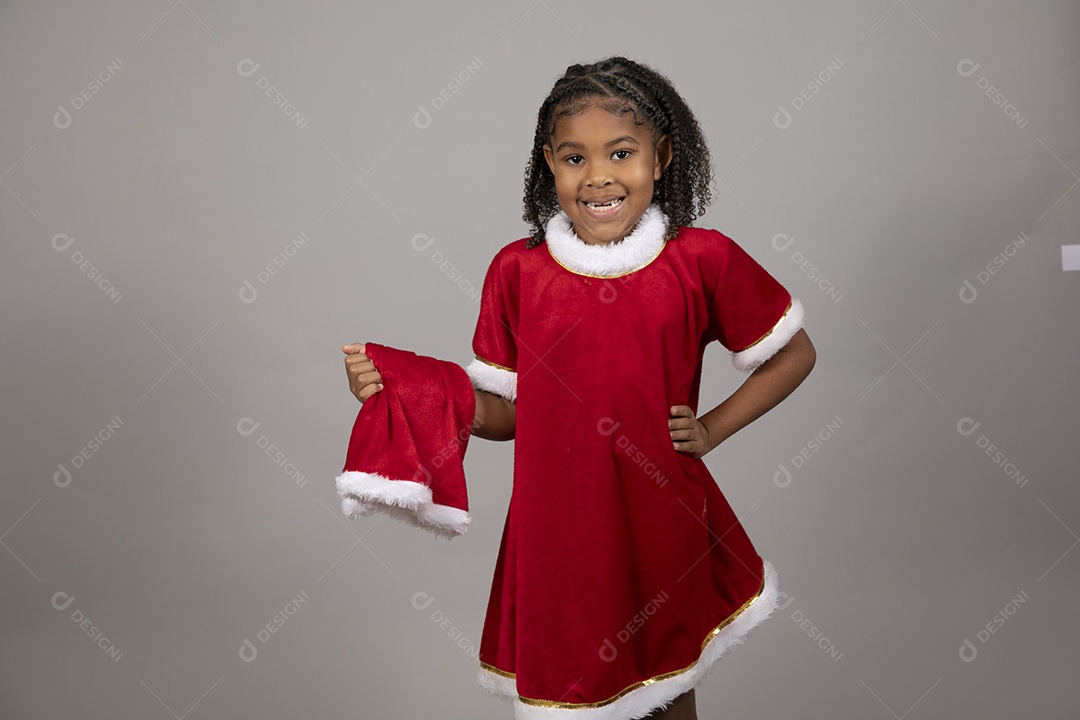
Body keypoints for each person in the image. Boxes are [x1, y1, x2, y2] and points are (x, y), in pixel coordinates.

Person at [343, 56, 816, 720]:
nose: (598, 175)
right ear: (549, 163)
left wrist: (710, 429)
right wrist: (411, 387)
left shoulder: (701, 259)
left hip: (660, 518)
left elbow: (793, 353)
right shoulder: (518, 271)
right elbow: (509, 418)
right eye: (574, 157)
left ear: (662, 156)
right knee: (567, 695)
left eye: (621, 152)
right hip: (558, 532)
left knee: (666, 688)